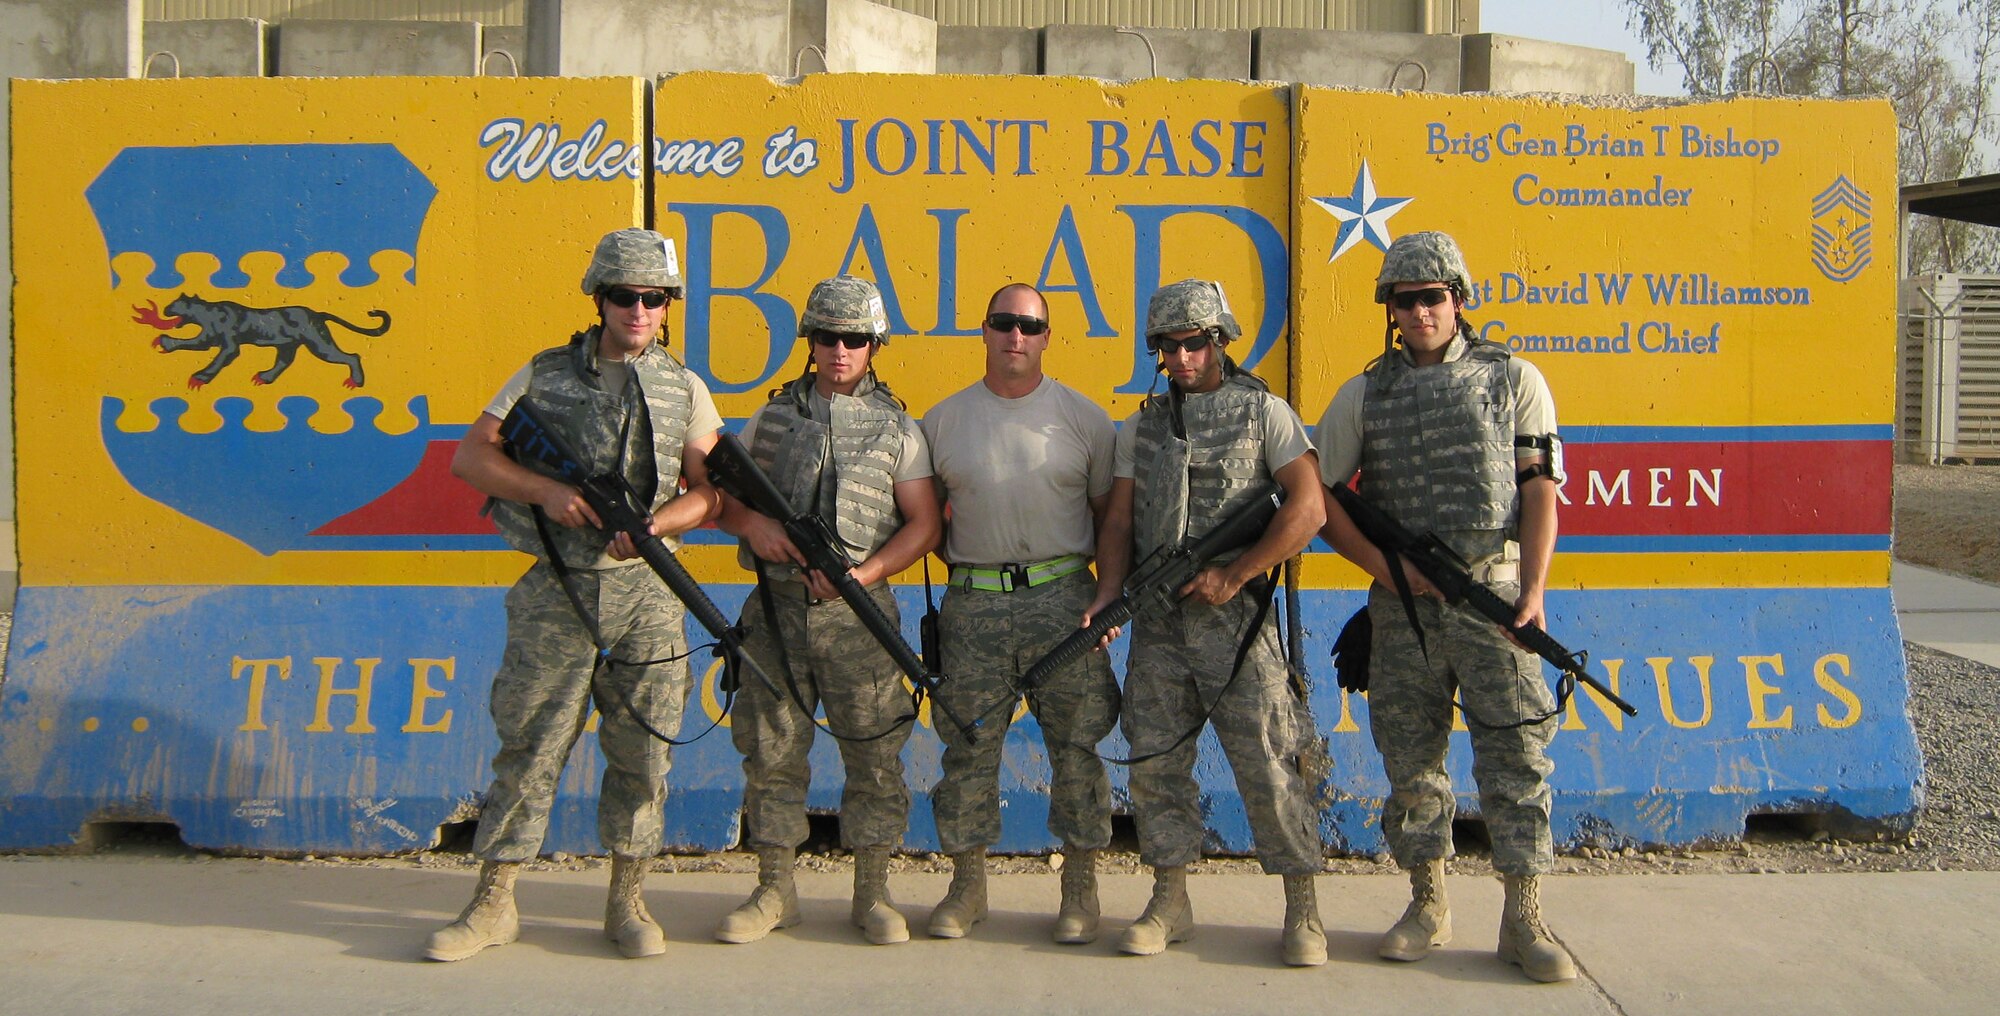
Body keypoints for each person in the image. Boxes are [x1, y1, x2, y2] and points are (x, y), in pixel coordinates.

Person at [428, 227, 724, 962]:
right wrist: (548, 493)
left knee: (645, 751)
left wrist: (656, 526)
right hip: (559, 589)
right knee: (531, 745)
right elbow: (472, 456)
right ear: (599, 299)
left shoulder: (685, 386)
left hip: (648, 594)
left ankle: (627, 900)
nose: (639, 309)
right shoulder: (543, 375)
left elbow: (711, 494)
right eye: (625, 296)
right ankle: (494, 900)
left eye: (654, 298)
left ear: (668, 306)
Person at [1315, 230, 1574, 983]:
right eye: (1407, 299)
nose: (1422, 310)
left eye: (1435, 297)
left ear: (1459, 301)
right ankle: (1427, 903)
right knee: (1411, 762)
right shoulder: (1363, 394)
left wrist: (1531, 594)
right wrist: (1382, 573)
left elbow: (1539, 492)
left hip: (1492, 597)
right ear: (1390, 309)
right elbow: (1321, 500)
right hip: (1404, 613)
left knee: (1517, 758)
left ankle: (1523, 919)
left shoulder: (1513, 379)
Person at [1096, 279, 1330, 966]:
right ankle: (1169, 900)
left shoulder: (1265, 414)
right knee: (1155, 763)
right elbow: (1117, 517)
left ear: (1220, 339)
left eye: (1195, 342)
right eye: (1169, 346)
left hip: (1239, 630)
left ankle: (1302, 908)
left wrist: (1237, 572)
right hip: (1160, 625)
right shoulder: (1140, 426)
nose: (1183, 357)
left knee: (1271, 762)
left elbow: (1307, 508)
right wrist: (1111, 595)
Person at [713, 275, 942, 947]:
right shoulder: (773, 417)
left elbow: (923, 524)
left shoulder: (899, 427)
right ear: (809, 343)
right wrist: (755, 529)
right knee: (771, 752)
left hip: (860, 618)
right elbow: (724, 498)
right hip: (777, 610)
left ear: (875, 346)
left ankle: (872, 893)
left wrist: (863, 574)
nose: (839, 352)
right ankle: (774, 889)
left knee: (875, 755)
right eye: (826, 338)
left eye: (853, 340)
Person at [919, 283, 1121, 943]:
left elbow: (1109, 520)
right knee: (967, 749)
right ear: (983, 329)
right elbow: (922, 520)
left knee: (1077, 748)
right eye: (1004, 323)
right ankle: (967, 889)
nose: (1016, 337)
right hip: (973, 601)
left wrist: (1108, 596)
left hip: (1063, 599)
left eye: (1030, 327)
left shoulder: (1084, 419)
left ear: (1046, 336)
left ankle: (1080, 893)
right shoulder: (943, 421)